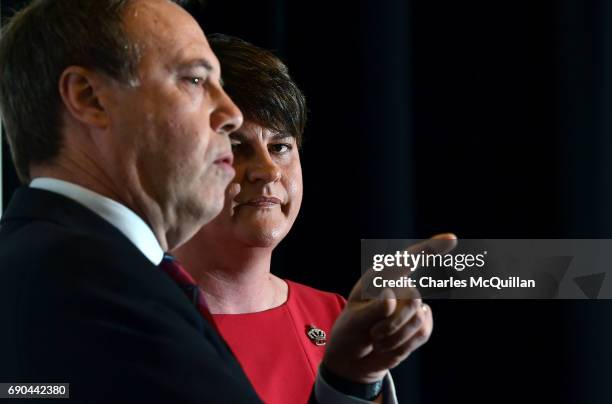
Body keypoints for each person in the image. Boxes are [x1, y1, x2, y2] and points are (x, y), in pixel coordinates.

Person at [0, 1, 455, 403]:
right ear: (88, 97)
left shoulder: (77, 265)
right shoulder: (87, 280)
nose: (228, 113)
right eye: (195, 79)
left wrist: (351, 379)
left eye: (281, 146)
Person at [175, 34, 454, 404]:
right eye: (237, 147)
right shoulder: (128, 310)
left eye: (280, 147)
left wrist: (359, 379)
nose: (268, 170)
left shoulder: (338, 319)